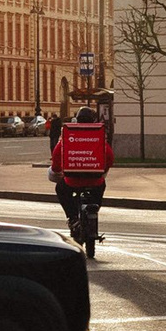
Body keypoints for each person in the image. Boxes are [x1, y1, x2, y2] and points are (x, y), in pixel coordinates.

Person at [50, 104, 113, 258]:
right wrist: (102, 170)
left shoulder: (69, 133)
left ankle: (73, 218)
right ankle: (95, 210)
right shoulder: (97, 134)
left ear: (76, 119)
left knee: (60, 188)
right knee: (101, 184)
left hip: (72, 181)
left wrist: (58, 170)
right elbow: (109, 157)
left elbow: (57, 159)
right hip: (95, 182)